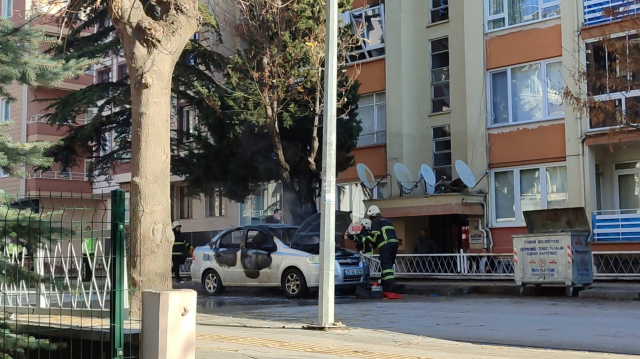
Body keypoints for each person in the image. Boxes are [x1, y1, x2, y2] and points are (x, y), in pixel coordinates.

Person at [367, 205, 403, 293]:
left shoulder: (375, 221)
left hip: (385, 244)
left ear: (372, 215)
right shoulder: (387, 220)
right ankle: (384, 283)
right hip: (394, 244)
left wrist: (372, 243)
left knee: (386, 265)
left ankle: (391, 284)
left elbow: (376, 234)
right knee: (389, 264)